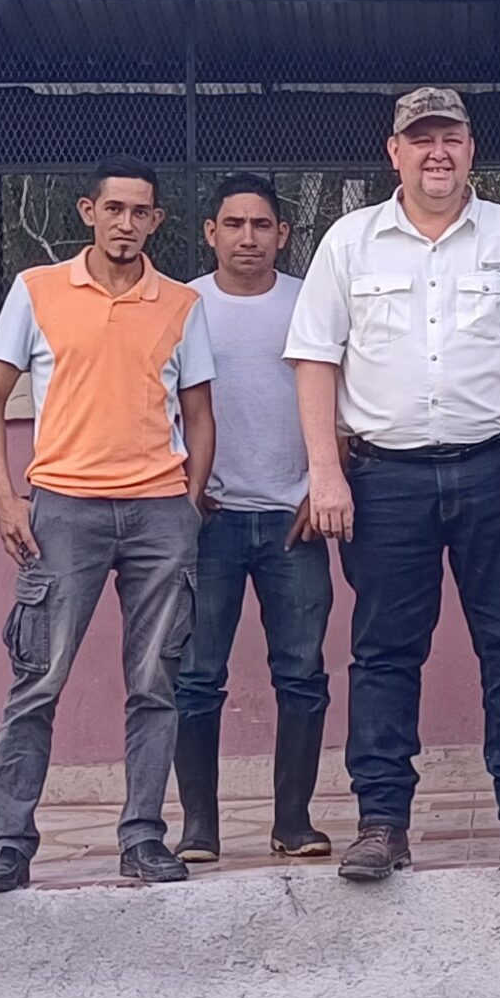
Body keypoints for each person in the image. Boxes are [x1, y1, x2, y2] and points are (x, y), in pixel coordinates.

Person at [292, 90, 500, 881]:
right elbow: (315, 360)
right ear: (394, 152)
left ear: (470, 148)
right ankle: (382, 823)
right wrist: (324, 474)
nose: (436, 153)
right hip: (385, 480)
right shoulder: (350, 243)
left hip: (495, 470)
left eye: (449, 138)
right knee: (382, 654)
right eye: (421, 140)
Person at [0, 158, 215, 894]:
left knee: (156, 682)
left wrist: (190, 506)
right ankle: (9, 842)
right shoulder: (36, 291)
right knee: (38, 679)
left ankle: (143, 837)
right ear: (87, 211)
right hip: (63, 510)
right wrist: (6, 501)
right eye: (114, 210)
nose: (126, 225)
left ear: (157, 222)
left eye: (141, 213)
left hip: (158, 514)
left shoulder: (179, 304)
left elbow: (200, 415)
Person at [171, 174, 333, 867]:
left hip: (292, 518)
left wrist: (325, 484)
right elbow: (159, 402)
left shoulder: (309, 305)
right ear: (210, 231)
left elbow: (342, 398)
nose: (247, 238)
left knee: (301, 673)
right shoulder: (182, 307)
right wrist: (184, 481)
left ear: (282, 234)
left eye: (261, 225)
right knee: (196, 675)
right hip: (208, 521)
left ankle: (293, 822)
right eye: (233, 224)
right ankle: (199, 827)